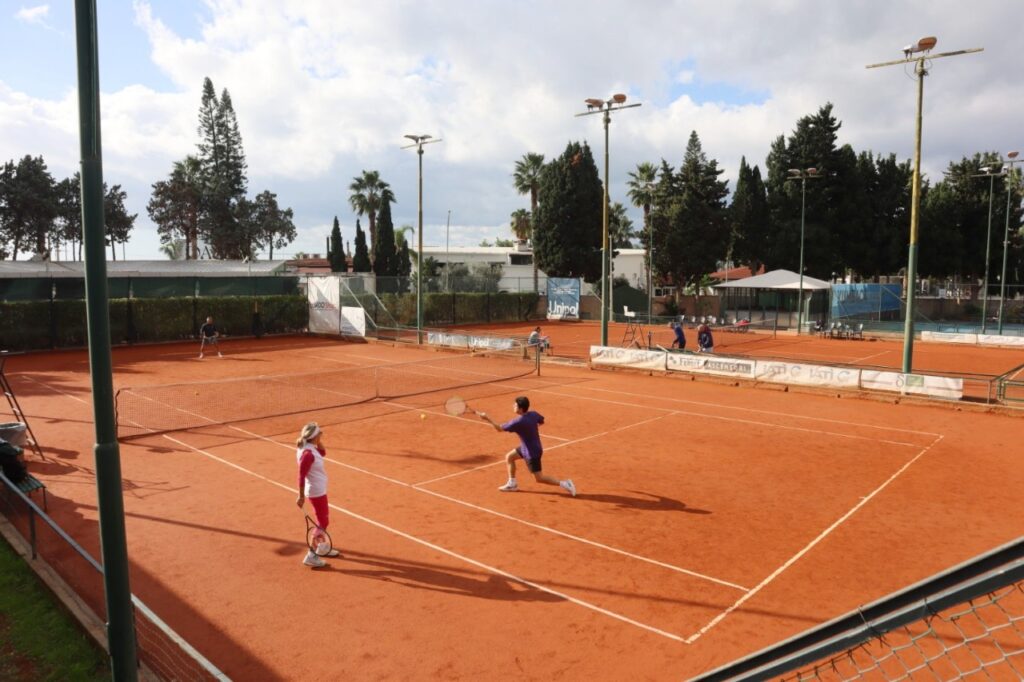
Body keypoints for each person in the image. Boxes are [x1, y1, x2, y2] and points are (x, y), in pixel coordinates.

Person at [479, 396, 575, 496]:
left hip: (531, 452)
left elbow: (499, 428)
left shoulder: (518, 422)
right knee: (509, 457)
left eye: (515, 405)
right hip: (528, 447)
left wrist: (487, 418)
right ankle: (512, 484)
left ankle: (565, 483)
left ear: (520, 409)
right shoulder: (533, 414)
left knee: (539, 478)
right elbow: (541, 421)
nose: (513, 406)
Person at [295, 421, 340, 568]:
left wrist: (318, 440)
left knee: (322, 520)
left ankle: (321, 547)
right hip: (316, 492)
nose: (322, 434)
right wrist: (301, 496)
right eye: (319, 433)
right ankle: (311, 555)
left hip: (318, 490)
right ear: (314, 436)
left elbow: (323, 453)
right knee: (323, 522)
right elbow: (301, 476)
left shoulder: (308, 449)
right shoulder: (307, 454)